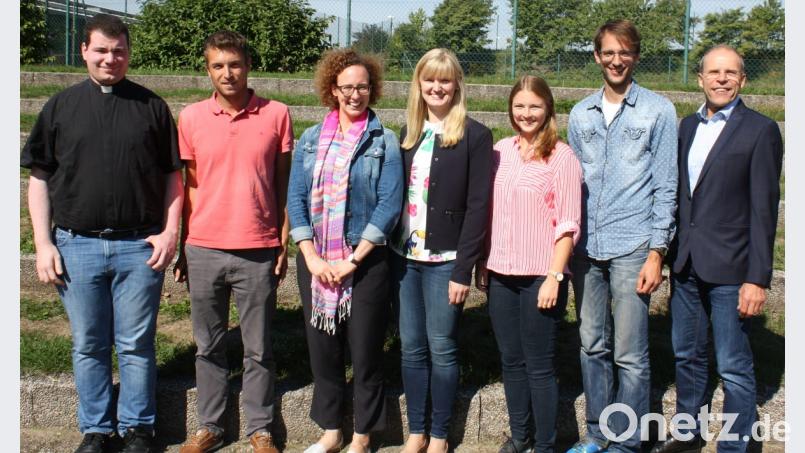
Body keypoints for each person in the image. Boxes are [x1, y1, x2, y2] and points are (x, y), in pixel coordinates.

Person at [21, 13, 183, 453]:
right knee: (89, 343)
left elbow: (173, 176)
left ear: (128, 53)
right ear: (84, 52)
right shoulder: (59, 107)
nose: (110, 58)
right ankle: (96, 429)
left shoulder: (152, 107)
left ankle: (138, 429)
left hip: (138, 246)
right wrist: (42, 244)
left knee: (135, 344)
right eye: (101, 50)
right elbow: (39, 178)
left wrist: (170, 233)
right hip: (77, 245)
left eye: (119, 50)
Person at [650, 45, 783, 453]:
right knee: (687, 356)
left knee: (733, 365)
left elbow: (764, 211)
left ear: (743, 80)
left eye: (730, 73)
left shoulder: (760, 130)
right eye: (713, 72)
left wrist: (756, 279)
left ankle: (736, 444)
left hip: (732, 268)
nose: (721, 79)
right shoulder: (687, 126)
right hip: (687, 264)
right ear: (700, 78)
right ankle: (688, 434)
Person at [172, 30, 291, 453]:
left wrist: (282, 240)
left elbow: (283, 183)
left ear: (248, 66)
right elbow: (189, 187)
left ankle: (260, 428)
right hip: (204, 247)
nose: (228, 73)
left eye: (235, 64)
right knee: (209, 346)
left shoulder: (277, 114)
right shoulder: (190, 118)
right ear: (208, 70)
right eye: (218, 65)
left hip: (257, 247)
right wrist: (186, 242)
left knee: (258, 348)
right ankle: (211, 426)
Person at [565, 19, 678, 453]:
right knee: (592, 345)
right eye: (608, 52)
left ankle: (627, 442)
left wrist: (657, 251)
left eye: (624, 52)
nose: (616, 60)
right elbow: (572, 180)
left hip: (634, 244)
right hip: (587, 246)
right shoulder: (581, 114)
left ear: (635, 56)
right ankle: (597, 434)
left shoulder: (658, 111)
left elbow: (666, 184)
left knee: (630, 353)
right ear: (597, 57)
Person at [287, 48, 403, 453]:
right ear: (332, 90)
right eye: (347, 87)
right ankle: (332, 432)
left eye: (363, 87)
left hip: (365, 261)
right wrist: (313, 257)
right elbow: (296, 199)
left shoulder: (383, 139)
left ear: (373, 89)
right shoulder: (310, 138)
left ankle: (362, 436)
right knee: (324, 352)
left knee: (366, 352)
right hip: (316, 262)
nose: (356, 94)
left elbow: (389, 204)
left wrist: (352, 259)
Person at [391, 48, 493, 453]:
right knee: (411, 347)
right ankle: (416, 431)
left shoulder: (475, 135)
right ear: (419, 84)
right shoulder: (407, 132)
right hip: (403, 259)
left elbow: (478, 207)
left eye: (445, 80)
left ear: (456, 86)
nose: (437, 87)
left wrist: (461, 270)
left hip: (444, 262)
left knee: (442, 347)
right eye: (429, 80)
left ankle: (439, 435)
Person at [476, 75, 582, 453]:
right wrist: (484, 262)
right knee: (511, 361)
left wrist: (555, 276)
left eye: (535, 106)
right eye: (519, 106)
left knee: (539, 365)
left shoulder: (562, 156)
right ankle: (519, 438)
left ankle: (545, 444)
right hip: (501, 273)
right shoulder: (500, 150)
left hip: (541, 275)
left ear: (548, 109)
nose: (526, 113)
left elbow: (568, 224)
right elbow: (489, 211)